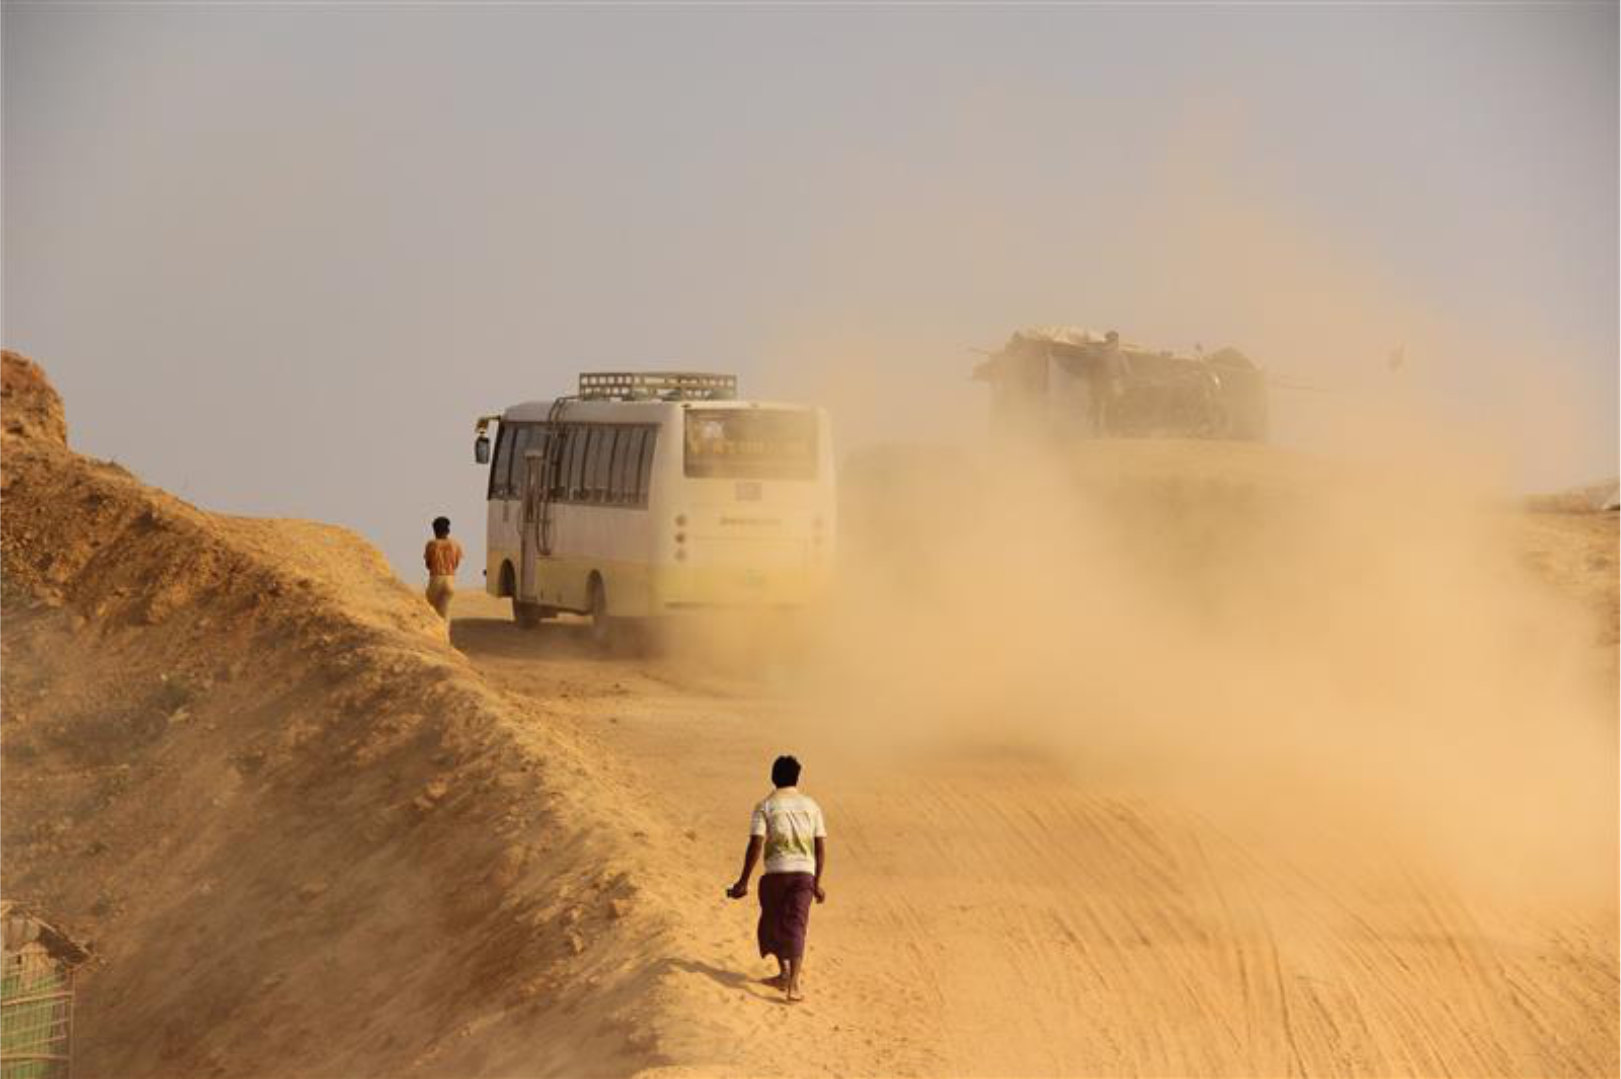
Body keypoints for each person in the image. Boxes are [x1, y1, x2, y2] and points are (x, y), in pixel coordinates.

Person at [726, 755, 827, 1002]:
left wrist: (743, 882)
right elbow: (820, 846)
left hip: (776, 874)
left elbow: (756, 844)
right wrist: (817, 882)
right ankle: (789, 981)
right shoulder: (811, 806)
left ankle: (788, 977)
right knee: (796, 925)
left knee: (773, 923)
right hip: (805, 873)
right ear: (797, 778)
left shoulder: (765, 806)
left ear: (773, 777)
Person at [423, 516, 462, 620]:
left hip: (436, 578)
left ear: (435, 530)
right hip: (450, 579)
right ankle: (444, 635)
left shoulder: (431, 544)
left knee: (429, 611)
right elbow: (457, 563)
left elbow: (428, 564)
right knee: (445, 614)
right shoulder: (455, 544)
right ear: (448, 530)